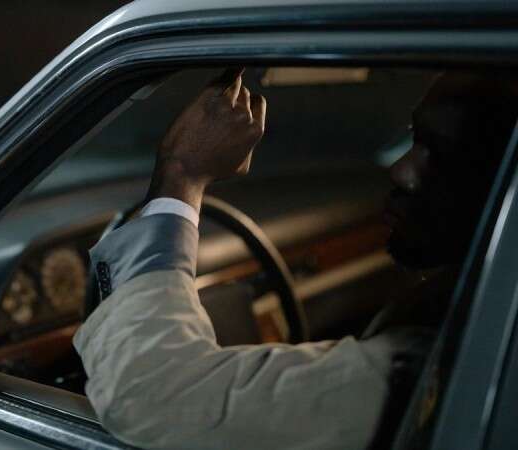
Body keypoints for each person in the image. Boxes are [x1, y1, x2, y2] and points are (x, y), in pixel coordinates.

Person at [72, 68, 518, 450]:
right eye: (413, 140)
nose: (400, 170)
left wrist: (181, 175)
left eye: (441, 154)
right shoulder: (482, 322)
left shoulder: (445, 368)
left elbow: (152, 394)